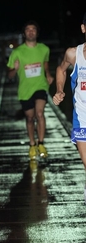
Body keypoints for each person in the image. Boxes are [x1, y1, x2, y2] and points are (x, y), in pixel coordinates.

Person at [7, 20, 54, 160]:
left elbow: (45, 64)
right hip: (25, 90)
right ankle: (32, 144)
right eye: (28, 29)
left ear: (37, 33)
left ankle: (41, 143)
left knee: (39, 113)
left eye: (33, 29)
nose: (31, 31)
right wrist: (14, 70)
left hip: (40, 86)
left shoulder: (44, 49)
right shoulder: (17, 52)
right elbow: (9, 76)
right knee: (29, 118)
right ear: (24, 33)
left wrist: (49, 75)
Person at [53, 12, 86, 204]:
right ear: (83, 28)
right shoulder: (73, 53)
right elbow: (60, 69)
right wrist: (59, 89)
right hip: (82, 118)